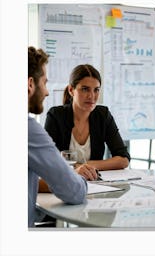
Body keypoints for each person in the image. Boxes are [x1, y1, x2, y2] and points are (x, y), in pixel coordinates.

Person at [28, 46, 97, 227]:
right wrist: (75, 175)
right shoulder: (28, 131)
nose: (47, 91)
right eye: (44, 82)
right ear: (30, 85)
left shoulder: (102, 115)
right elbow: (74, 191)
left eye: (96, 90)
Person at [44, 64, 130, 174]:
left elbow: (124, 159)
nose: (91, 96)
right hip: (64, 183)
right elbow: (48, 159)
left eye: (96, 90)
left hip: (95, 183)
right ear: (71, 90)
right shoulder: (56, 116)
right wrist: (76, 169)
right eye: (85, 89)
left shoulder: (103, 115)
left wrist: (85, 166)